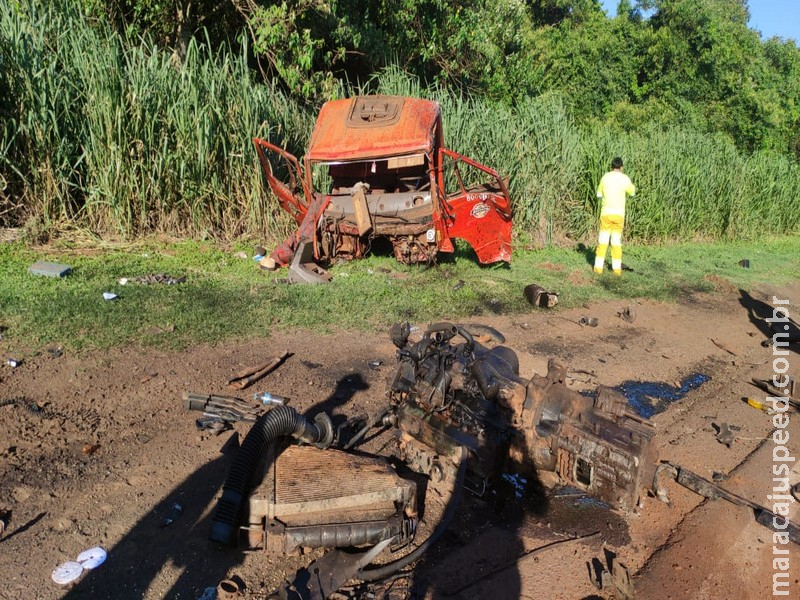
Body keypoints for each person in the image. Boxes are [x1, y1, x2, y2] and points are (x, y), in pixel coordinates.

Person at [594, 156, 635, 275]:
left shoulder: (605, 177)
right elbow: (632, 192)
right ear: (621, 167)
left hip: (606, 214)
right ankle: (617, 270)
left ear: (611, 166)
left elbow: (598, 194)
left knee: (602, 242)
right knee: (616, 243)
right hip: (619, 215)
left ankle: (598, 269)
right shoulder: (625, 178)